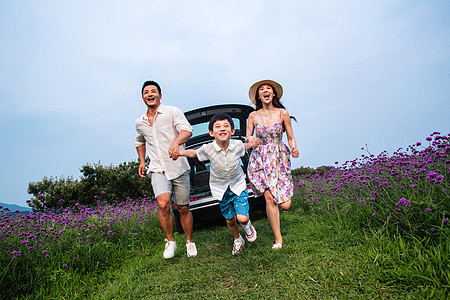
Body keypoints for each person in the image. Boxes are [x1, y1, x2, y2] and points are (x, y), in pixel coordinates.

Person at [176, 113, 258, 255]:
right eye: (218, 126)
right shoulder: (208, 149)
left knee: (242, 218)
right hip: (221, 189)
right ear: (211, 133)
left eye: (226, 126)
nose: (222, 129)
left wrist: (252, 143)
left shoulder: (237, 145)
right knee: (230, 220)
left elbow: (245, 146)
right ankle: (238, 239)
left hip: (238, 185)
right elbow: (193, 153)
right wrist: (180, 153)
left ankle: (247, 225)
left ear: (232, 131)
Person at [135, 80, 197, 259]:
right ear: (143, 98)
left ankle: (189, 241)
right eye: (146, 92)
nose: (150, 94)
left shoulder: (172, 112)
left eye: (153, 91)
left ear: (160, 95)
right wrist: (141, 161)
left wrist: (176, 143)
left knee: (183, 208)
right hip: (156, 168)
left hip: (178, 166)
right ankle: (170, 242)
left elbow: (187, 130)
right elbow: (139, 141)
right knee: (163, 205)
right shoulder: (140, 122)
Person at [246, 79, 299, 250]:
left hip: (279, 158)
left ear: (273, 94)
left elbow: (290, 136)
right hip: (260, 158)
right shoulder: (253, 116)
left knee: (285, 205)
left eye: (268, 88)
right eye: (262, 89)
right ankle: (278, 239)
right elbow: (247, 137)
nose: (265, 91)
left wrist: (294, 148)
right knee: (269, 198)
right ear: (259, 96)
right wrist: (251, 139)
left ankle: (280, 208)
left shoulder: (282, 113)